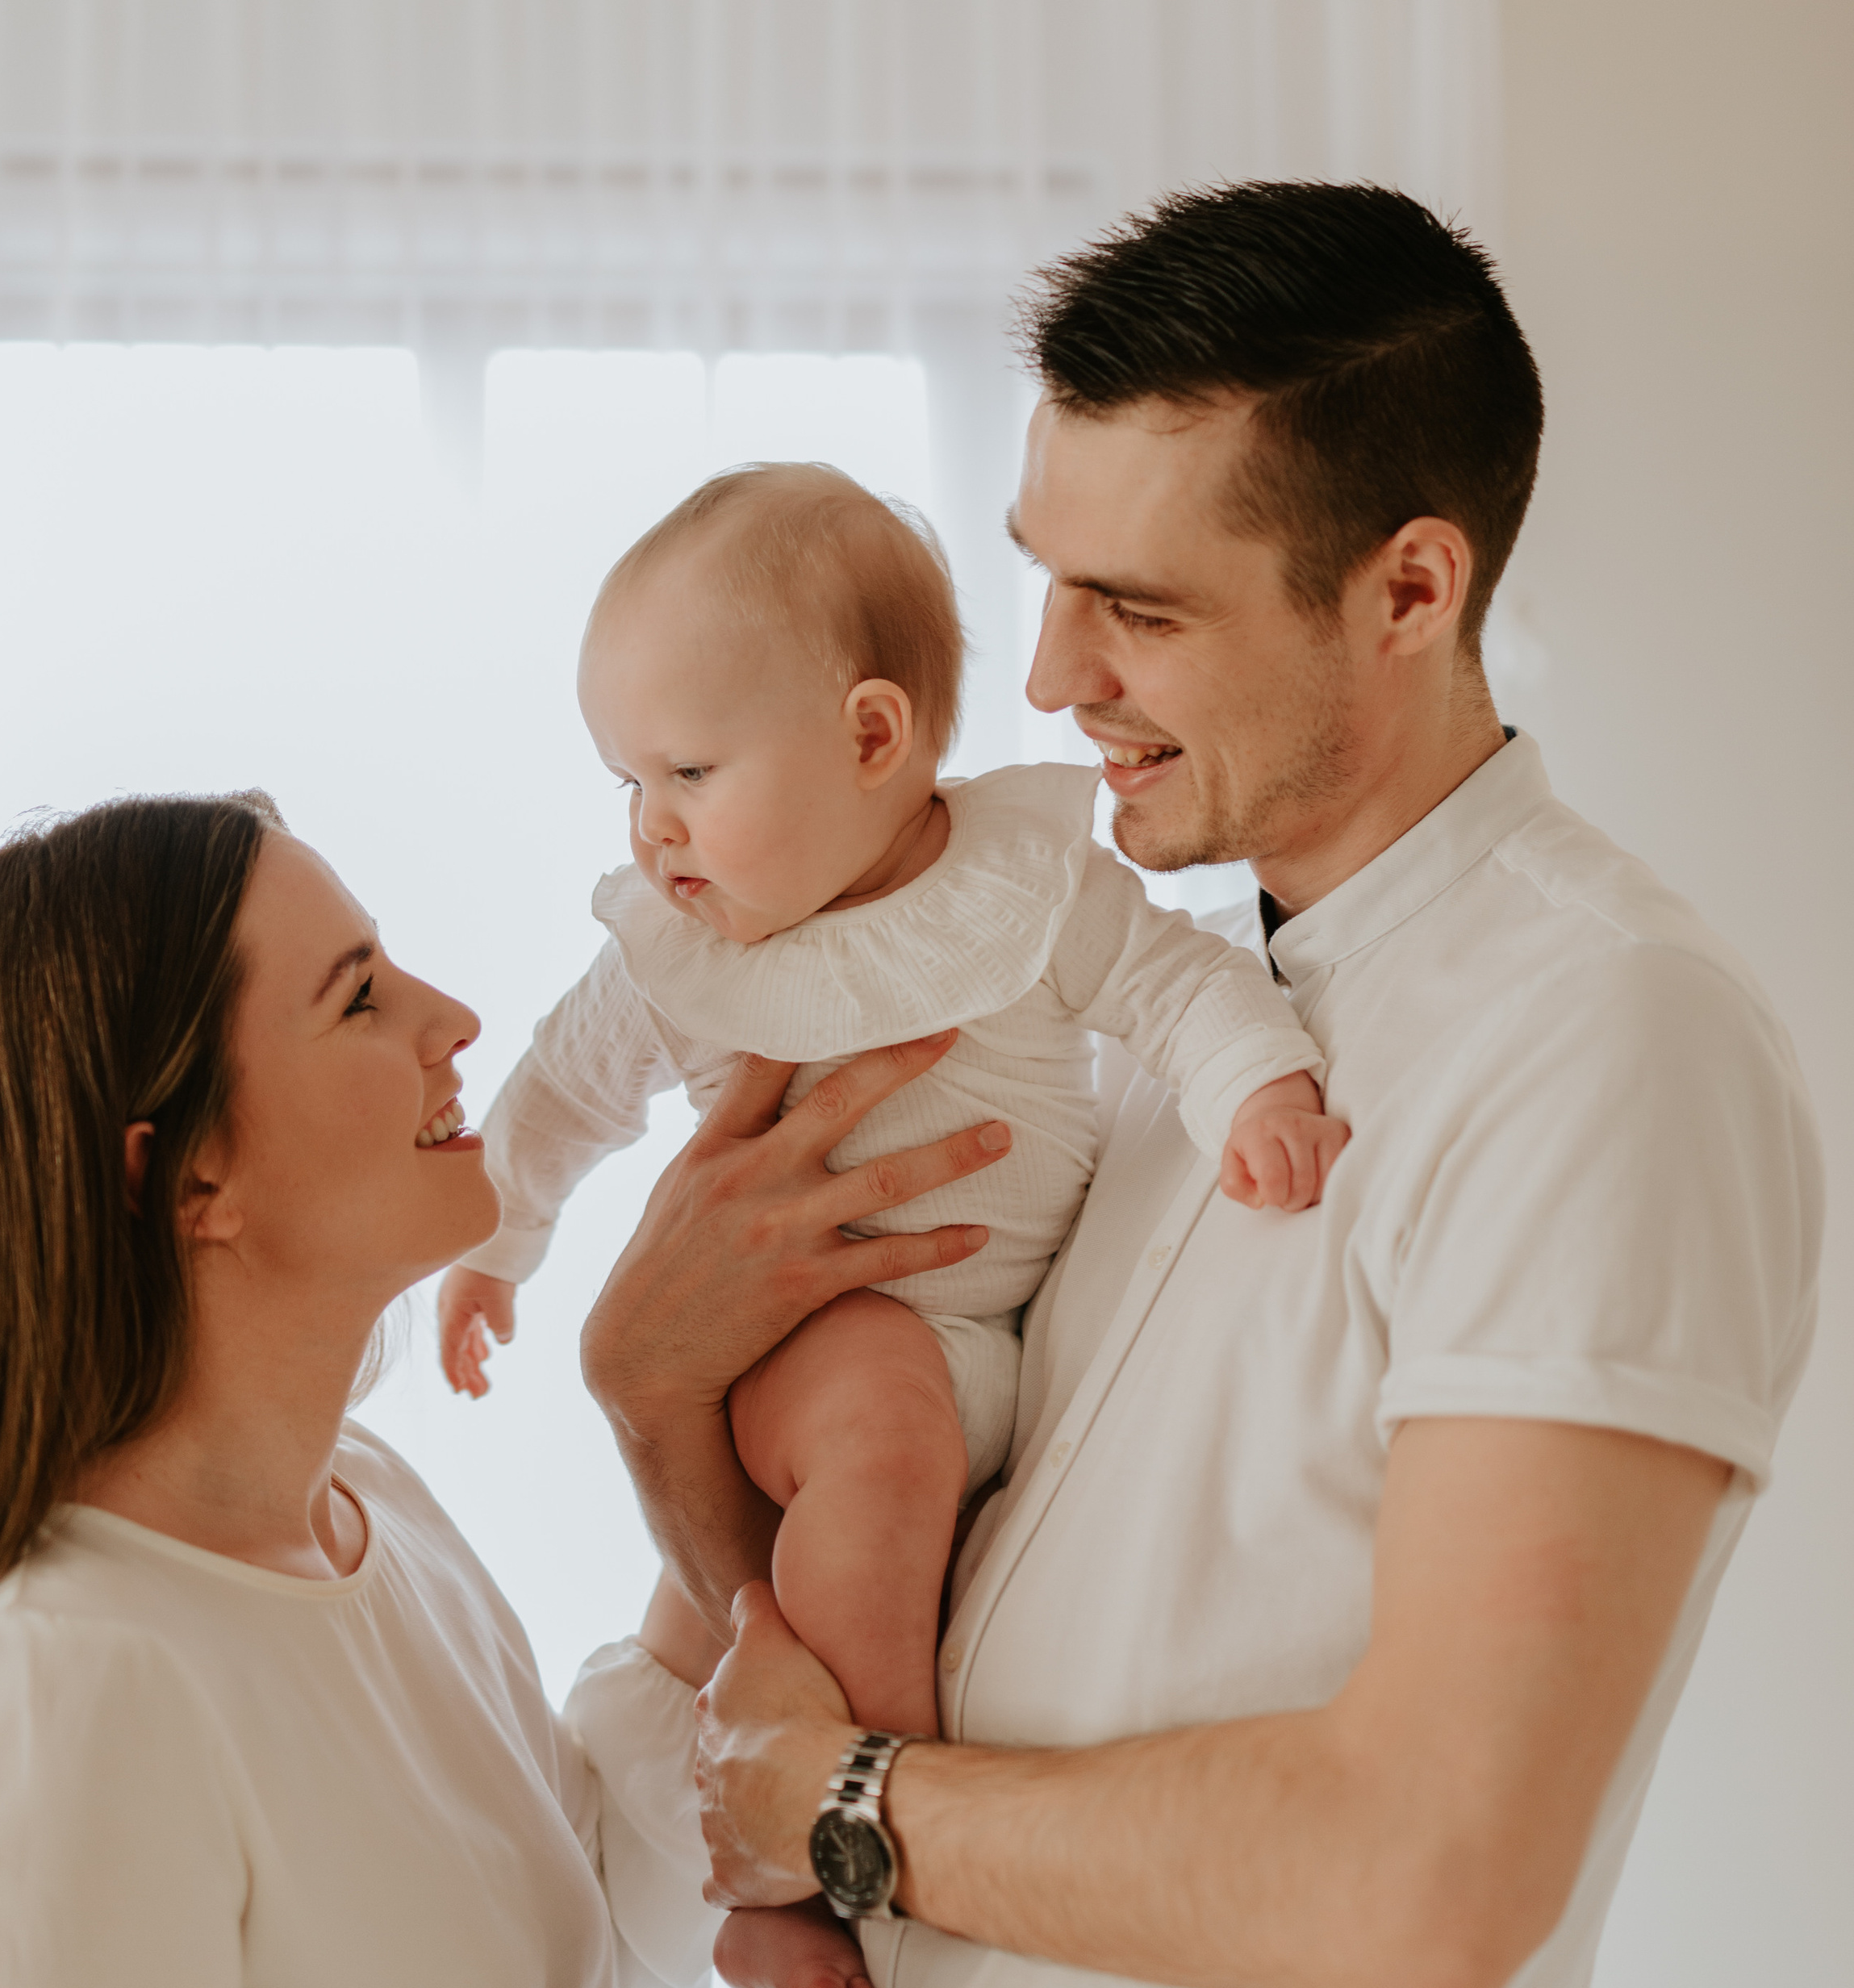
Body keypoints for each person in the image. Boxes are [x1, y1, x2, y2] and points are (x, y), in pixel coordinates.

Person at [575, 182, 1823, 1988]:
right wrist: (651, 1393)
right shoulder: (1163, 1033)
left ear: (1407, 588)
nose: (1044, 675)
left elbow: (1428, 1874)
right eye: (1044, 576)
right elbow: (825, 1606)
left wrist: (843, 1807)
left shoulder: (1604, 1032)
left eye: (1135, 610)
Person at [437, 461, 1344, 1748]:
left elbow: (1174, 983)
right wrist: (496, 1244)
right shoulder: (681, 954)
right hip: (822, 1344)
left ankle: (782, 1787)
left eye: (689, 772)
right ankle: (842, 1826)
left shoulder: (1024, 881)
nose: (652, 831)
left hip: (1002, 1353)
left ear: (872, 736)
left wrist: (1257, 1086)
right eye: (627, 784)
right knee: (879, 1455)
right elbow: (558, 1095)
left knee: (844, 1585)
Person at [0, 791, 745, 1986]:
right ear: (190, 1180)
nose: (454, 1019)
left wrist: (698, 1402)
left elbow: (598, 1930)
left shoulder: (371, 1512)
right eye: (358, 997)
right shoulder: (47, 1703)